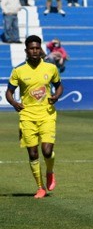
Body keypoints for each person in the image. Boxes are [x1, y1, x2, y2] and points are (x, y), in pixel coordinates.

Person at [5, 35, 64, 198]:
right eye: (32, 48)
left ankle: (50, 172)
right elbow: (9, 92)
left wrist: (56, 96)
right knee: (33, 154)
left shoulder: (50, 68)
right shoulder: (19, 71)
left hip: (47, 114)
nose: (35, 51)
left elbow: (59, 86)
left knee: (47, 150)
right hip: (27, 116)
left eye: (37, 48)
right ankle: (40, 188)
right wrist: (15, 103)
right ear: (26, 50)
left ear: (41, 49)